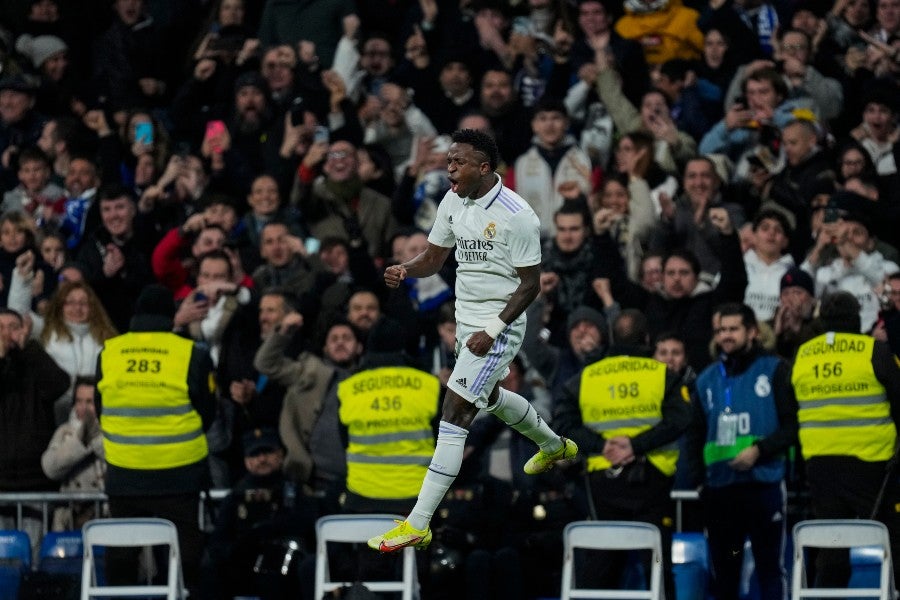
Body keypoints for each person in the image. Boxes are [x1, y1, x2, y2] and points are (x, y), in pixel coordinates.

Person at [368, 129, 578, 552]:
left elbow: (531, 286)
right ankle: (554, 445)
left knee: (456, 408)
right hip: (467, 322)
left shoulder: (518, 215)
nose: (449, 169)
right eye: (448, 161)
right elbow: (434, 256)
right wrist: (406, 269)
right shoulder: (453, 200)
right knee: (492, 397)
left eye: (458, 162)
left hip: (500, 325)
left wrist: (494, 330)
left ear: (485, 168)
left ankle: (418, 522)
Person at [554, 309, 691, 599]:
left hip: (602, 479)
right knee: (657, 565)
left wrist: (601, 445)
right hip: (652, 478)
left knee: (602, 563)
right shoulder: (662, 374)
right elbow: (681, 420)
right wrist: (635, 445)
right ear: (647, 339)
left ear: (612, 337)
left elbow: (562, 423)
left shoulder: (586, 377)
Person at [95, 284, 216, 596]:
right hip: (180, 475)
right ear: (170, 315)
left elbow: (100, 408)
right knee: (184, 556)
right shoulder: (191, 353)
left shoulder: (110, 353)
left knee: (122, 554)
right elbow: (208, 411)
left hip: (125, 474)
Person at [686, 303, 798, 600]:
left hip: (764, 484)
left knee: (769, 570)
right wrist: (699, 482)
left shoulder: (775, 369)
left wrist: (759, 450)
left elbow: (792, 427)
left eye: (733, 329)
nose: (726, 335)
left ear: (751, 332)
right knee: (724, 574)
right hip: (720, 489)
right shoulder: (705, 379)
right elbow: (694, 434)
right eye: (721, 330)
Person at [790, 291, 900, 590]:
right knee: (893, 537)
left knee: (832, 546)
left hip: (820, 464)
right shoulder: (872, 350)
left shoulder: (803, 353)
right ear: (856, 318)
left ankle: (825, 596)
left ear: (823, 321)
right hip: (872, 463)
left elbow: (791, 407)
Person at [201, 427, 317, 600]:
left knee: (275, 566)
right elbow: (219, 538)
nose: (262, 459)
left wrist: (268, 529)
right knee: (211, 566)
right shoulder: (236, 496)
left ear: (280, 455)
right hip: (244, 561)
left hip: (282, 564)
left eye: (267, 452)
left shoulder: (293, 491)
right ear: (247, 461)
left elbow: (306, 525)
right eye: (255, 455)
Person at [40, 376, 107, 530]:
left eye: (89, 401)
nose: (83, 407)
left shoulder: (111, 432)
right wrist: (80, 441)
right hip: (70, 520)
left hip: (103, 517)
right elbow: (50, 467)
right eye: (79, 401)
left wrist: (96, 440)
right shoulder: (64, 432)